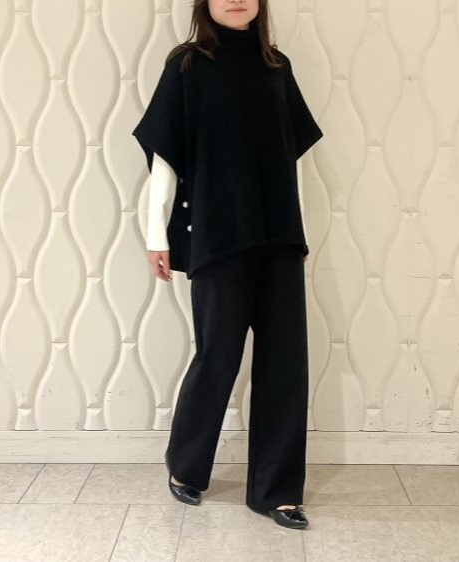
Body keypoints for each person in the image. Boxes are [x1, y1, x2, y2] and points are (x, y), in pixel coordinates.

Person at [132, 0, 324, 530]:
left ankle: (277, 492)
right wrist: (155, 233)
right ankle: (187, 465)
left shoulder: (277, 66)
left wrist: (299, 230)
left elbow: (292, 156)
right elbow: (166, 155)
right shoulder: (188, 64)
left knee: (286, 362)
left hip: (279, 234)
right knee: (218, 354)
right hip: (219, 233)